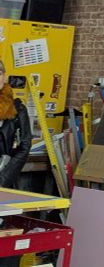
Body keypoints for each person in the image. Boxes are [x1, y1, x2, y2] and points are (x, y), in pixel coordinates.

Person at [0, 61, 30, 267]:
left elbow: (25, 145)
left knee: (4, 237)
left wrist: (4, 177)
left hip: (3, 176)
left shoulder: (16, 108)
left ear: (4, 76)